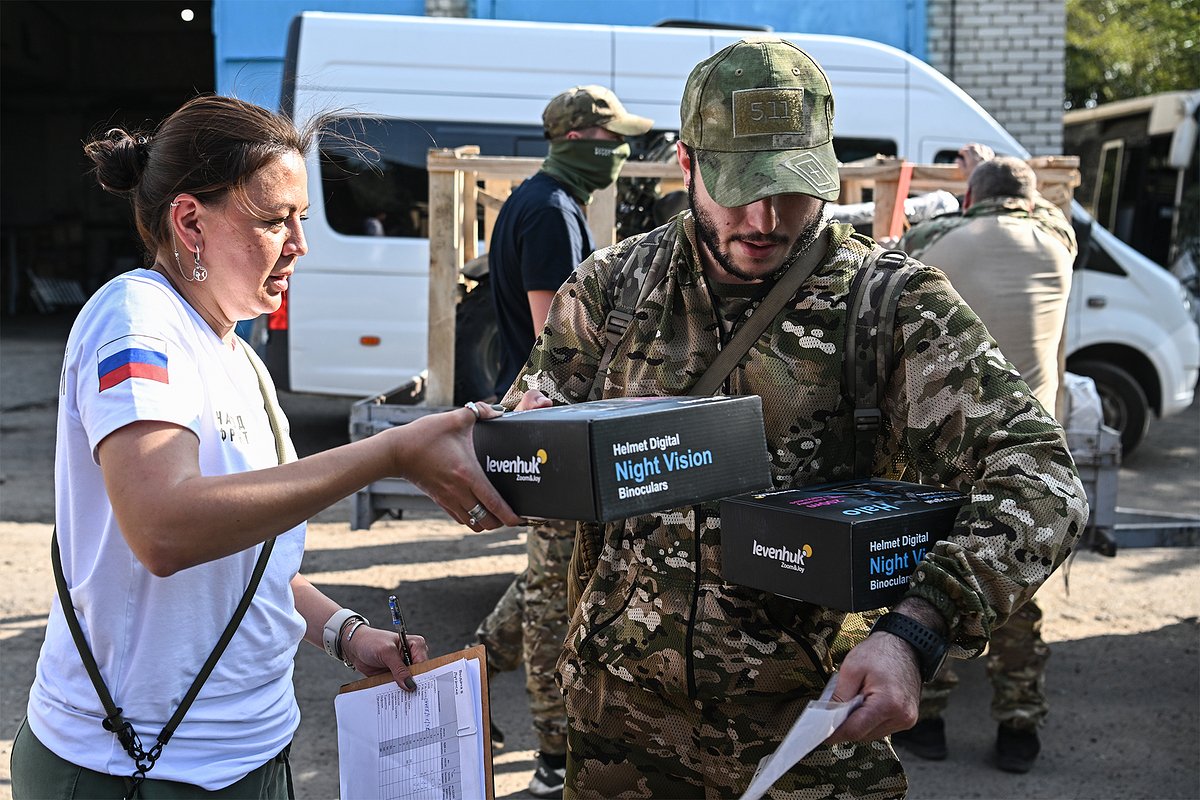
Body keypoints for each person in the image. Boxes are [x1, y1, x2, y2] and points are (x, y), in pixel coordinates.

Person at [502, 37, 1088, 799]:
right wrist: (508, 453)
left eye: (793, 186)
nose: (765, 217)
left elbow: (1042, 478)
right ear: (686, 166)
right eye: (738, 185)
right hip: (621, 732)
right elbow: (530, 427)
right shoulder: (612, 289)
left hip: (808, 743)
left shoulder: (891, 305)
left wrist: (917, 629)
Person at [10, 95, 520, 799]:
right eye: (274, 220)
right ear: (190, 221)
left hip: (253, 751)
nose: (299, 244)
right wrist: (391, 453)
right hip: (137, 769)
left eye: (301, 219)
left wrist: (344, 632)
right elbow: (163, 528)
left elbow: (251, 554)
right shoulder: (136, 322)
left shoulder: (237, 354)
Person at [476, 83, 653, 799]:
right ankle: (553, 749)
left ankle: (472, 669)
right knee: (555, 594)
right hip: (549, 429)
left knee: (547, 577)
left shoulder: (541, 202)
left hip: (546, 426)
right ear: (580, 140)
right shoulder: (550, 213)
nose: (620, 157)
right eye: (613, 144)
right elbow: (563, 335)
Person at [894, 156, 1078, 773]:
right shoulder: (1057, 245)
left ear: (972, 198)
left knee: (944, 580)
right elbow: (1054, 213)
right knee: (1017, 594)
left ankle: (931, 721)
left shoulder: (938, 243)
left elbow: (906, 241)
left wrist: (964, 192)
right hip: (1033, 451)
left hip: (956, 447)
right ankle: (1019, 730)